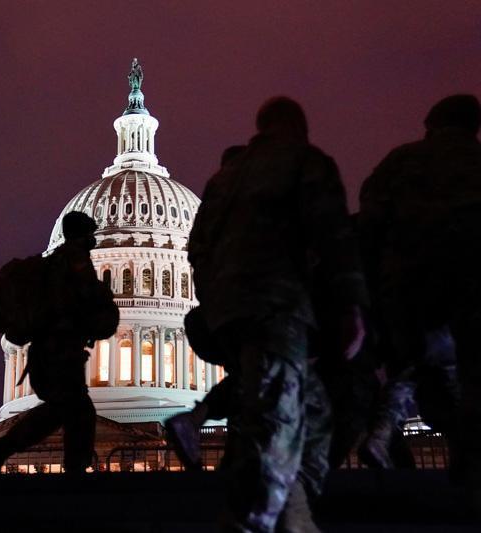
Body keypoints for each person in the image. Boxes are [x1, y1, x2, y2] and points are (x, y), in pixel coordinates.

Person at [188, 97, 368, 532]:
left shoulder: (223, 177)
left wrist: (214, 304)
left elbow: (197, 250)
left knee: (297, 409)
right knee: (280, 419)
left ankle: (295, 514)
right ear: (297, 127)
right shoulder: (303, 160)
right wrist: (351, 303)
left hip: (226, 310)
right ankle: (257, 520)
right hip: (277, 304)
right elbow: (333, 233)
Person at [359, 94, 481, 510]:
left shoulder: (404, 161)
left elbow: (370, 220)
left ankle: (380, 432)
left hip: (412, 283)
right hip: (472, 283)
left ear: (432, 123)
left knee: (413, 365)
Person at [0, 212, 119, 474]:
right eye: (90, 234)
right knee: (75, 409)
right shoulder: (73, 263)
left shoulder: (56, 261)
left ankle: (4, 449)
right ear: (82, 235)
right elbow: (80, 300)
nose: (93, 239)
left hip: (50, 351)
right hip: (58, 351)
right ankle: (70, 468)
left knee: (68, 409)